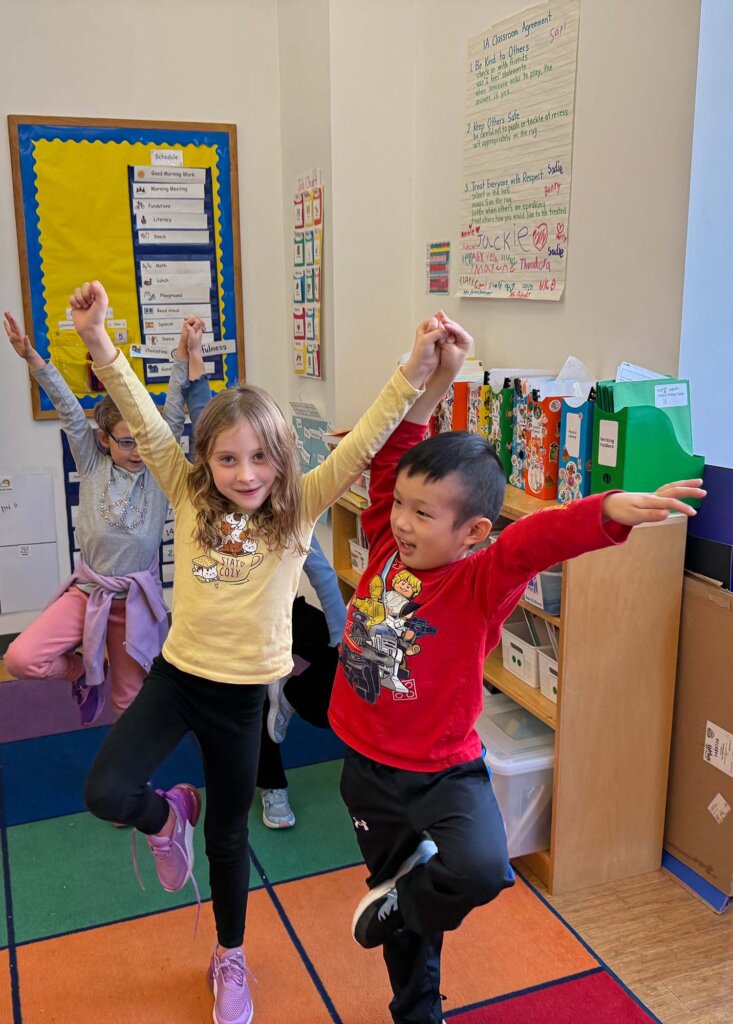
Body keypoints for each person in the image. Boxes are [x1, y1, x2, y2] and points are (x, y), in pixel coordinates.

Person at [74, 278, 455, 1024]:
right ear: (205, 460)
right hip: (178, 678)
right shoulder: (188, 495)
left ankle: (230, 957)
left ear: (280, 460)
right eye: (226, 459)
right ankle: (165, 817)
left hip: (243, 697)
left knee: (228, 837)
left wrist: (415, 368)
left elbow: (372, 437)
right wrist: (97, 340)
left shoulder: (297, 509)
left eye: (258, 458)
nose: (244, 474)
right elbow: (149, 423)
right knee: (106, 793)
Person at [328, 319, 706, 1024]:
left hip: (443, 770)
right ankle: (416, 1009)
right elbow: (397, 455)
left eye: (422, 514)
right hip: (366, 767)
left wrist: (608, 511)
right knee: (403, 905)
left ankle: (400, 906)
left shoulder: (478, 579)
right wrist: (433, 378)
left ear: (471, 533)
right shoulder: (383, 538)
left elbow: (532, 540)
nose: (403, 523)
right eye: (402, 507)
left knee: (478, 870)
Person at [2, 310, 210, 722]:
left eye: (142, 441)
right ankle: (86, 672)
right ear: (104, 439)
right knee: (21, 658)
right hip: (88, 593)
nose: (137, 450)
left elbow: (171, 412)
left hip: (133, 603)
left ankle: (133, 782)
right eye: (127, 442)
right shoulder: (94, 463)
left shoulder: (157, 469)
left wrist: (183, 355)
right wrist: (32, 359)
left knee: (128, 703)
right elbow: (68, 410)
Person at [258, 533, 346, 828]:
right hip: (240, 626)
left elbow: (322, 575)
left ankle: (289, 696)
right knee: (253, 692)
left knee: (346, 667)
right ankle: (273, 786)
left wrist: (340, 640)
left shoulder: (291, 514)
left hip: (287, 612)